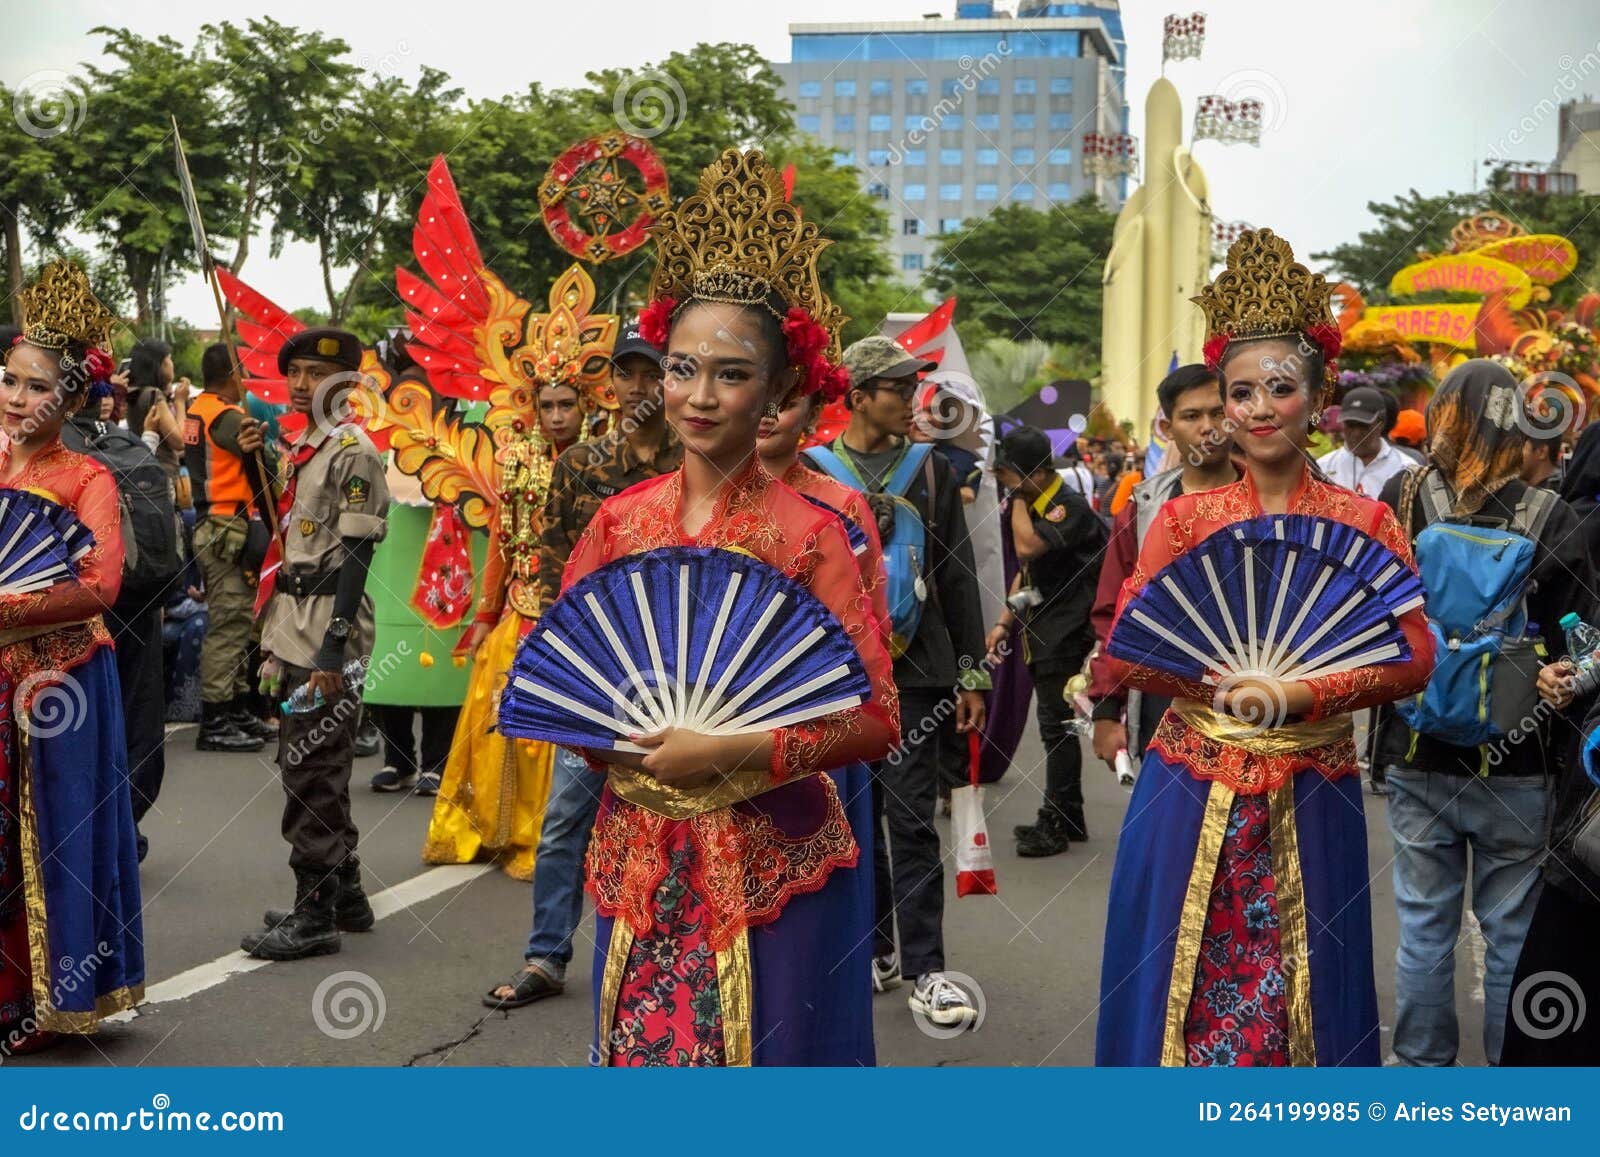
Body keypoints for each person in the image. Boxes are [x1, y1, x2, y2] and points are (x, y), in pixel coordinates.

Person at [549, 149, 896, 1067]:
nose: (700, 396)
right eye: (681, 368)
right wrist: (613, 738)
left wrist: (728, 748)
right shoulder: (620, 523)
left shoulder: (814, 532)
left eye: (731, 374)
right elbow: (568, 684)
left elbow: (874, 721)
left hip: (772, 853)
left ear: (781, 390)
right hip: (641, 849)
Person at [1095, 229, 1436, 1066]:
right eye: (1237, 391)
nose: (1252, 408)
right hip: (1185, 780)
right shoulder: (1179, 520)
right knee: (1176, 982)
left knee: (1304, 993)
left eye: (1276, 388)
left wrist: (1301, 695)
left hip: (1312, 781)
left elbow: (1414, 656)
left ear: (1318, 397)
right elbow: (1124, 652)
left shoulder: (1367, 521)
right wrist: (1211, 680)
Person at [1375, 360, 1592, 1066]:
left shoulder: (1402, 498)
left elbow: (1367, 618)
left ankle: (1421, 1078)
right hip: (1520, 762)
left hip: (1418, 749)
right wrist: (1564, 675)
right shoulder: (1550, 513)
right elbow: (1584, 640)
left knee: (1424, 928)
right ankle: (1508, 1091)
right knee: (1508, 936)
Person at [483, 319, 682, 1011]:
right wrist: (547, 650)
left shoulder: (698, 459)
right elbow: (550, 556)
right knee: (568, 814)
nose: (638, 386)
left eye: (650, 372)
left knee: (677, 817)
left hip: (684, 675)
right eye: (626, 373)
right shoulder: (583, 465)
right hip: (598, 669)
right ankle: (546, 954)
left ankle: (666, 958)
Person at [810, 333, 987, 1027]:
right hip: (840, 671)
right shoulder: (816, 470)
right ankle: (877, 944)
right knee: (854, 816)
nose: (913, 399)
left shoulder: (932, 470)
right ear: (859, 396)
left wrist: (972, 673)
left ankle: (927, 966)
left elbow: (958, 574)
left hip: (916, 668)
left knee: (910, 817)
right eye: (898, 388)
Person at [420, 270, 617, 874]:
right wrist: (485, 616)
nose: (556, 415)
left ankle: (554, 839)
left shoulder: (610, 464)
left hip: (585, 616)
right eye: (547, 404)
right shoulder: (519, 462)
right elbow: (503, 545)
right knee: (496, 719)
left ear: (586, 407)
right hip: (520, 610)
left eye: (567, 405)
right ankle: (494, 830)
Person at [0, 263, 144, 1052]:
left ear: (71, 399)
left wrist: (6, 607)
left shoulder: (87, 479)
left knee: (51, 841)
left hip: (61, 683)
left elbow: (100, 583)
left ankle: (52, 999)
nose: (19, 400)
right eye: (11, 382)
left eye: (37, 388)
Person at [241, 327, 390, 961]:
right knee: (314, 761)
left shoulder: (352, 450)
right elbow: (283, 534)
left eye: (318, 374)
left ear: (349, 384)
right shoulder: (302, 445)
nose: (304, 384)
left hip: (330, 622)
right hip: (293, 618)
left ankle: (315, 915)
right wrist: (254, 463)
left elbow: (355, 550)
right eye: (296, 372)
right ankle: (346, 895)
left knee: (313, 771)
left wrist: (334, 650)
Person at [1086, 364, 1238, 782]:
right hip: (1161, 693)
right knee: (1170, 828)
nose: (1208, 427)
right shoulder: (1142, 509)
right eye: (1192, 417)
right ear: (1168, 428)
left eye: (1218, 413)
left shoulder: (1270, 499)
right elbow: (1112, 617)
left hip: (1255, 695)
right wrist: (1105, 708)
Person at [985, 425, 1107, 856]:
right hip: (1045, 628)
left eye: (1008, 476)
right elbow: (1029, 576)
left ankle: (1055, 822)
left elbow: (1026, 550)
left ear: (1032, 475)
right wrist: (1003, 622)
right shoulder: (1039, 501)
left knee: (1056, 730)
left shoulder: (1062, 507)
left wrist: (1018, 497)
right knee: (1057, 728)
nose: (1004, 485)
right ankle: (1069, 816)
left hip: (1066, 632)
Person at [185, 343, 274, 752]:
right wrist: (266, 445)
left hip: (217, 523)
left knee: (239, 620)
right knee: (230, 623)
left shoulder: (197, 409)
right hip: (226, 525)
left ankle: (237, 706)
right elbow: (261, 462)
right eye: (244, 371)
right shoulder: (226, 416)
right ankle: (216, 718)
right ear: (231, 374)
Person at [1315, 385, 1409, 498]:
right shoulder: (1323, 467)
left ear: (1381, 424)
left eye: (1363, 426)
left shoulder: (1405, 468)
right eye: (1350, 425)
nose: (1356, 433)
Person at [125, 337, 187, 495]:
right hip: (162, 474)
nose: (172, 364)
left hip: (143, 471)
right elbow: (179, 440)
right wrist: (180, 403)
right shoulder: (153, 394)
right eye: (169, 359)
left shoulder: (134, 393)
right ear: (159, 364)